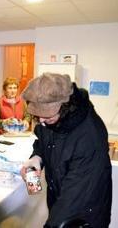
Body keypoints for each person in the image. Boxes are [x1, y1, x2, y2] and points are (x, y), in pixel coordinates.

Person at [20, 73, 112, 227]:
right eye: (38, 116)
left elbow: (75, 194)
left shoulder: (89, 136)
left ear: (65, 107)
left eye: (47, 116)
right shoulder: (52, 121)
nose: (41, 121)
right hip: (61, 201)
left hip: (85, 214)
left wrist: (51, 225)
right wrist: (36, 157)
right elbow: (44, 141)